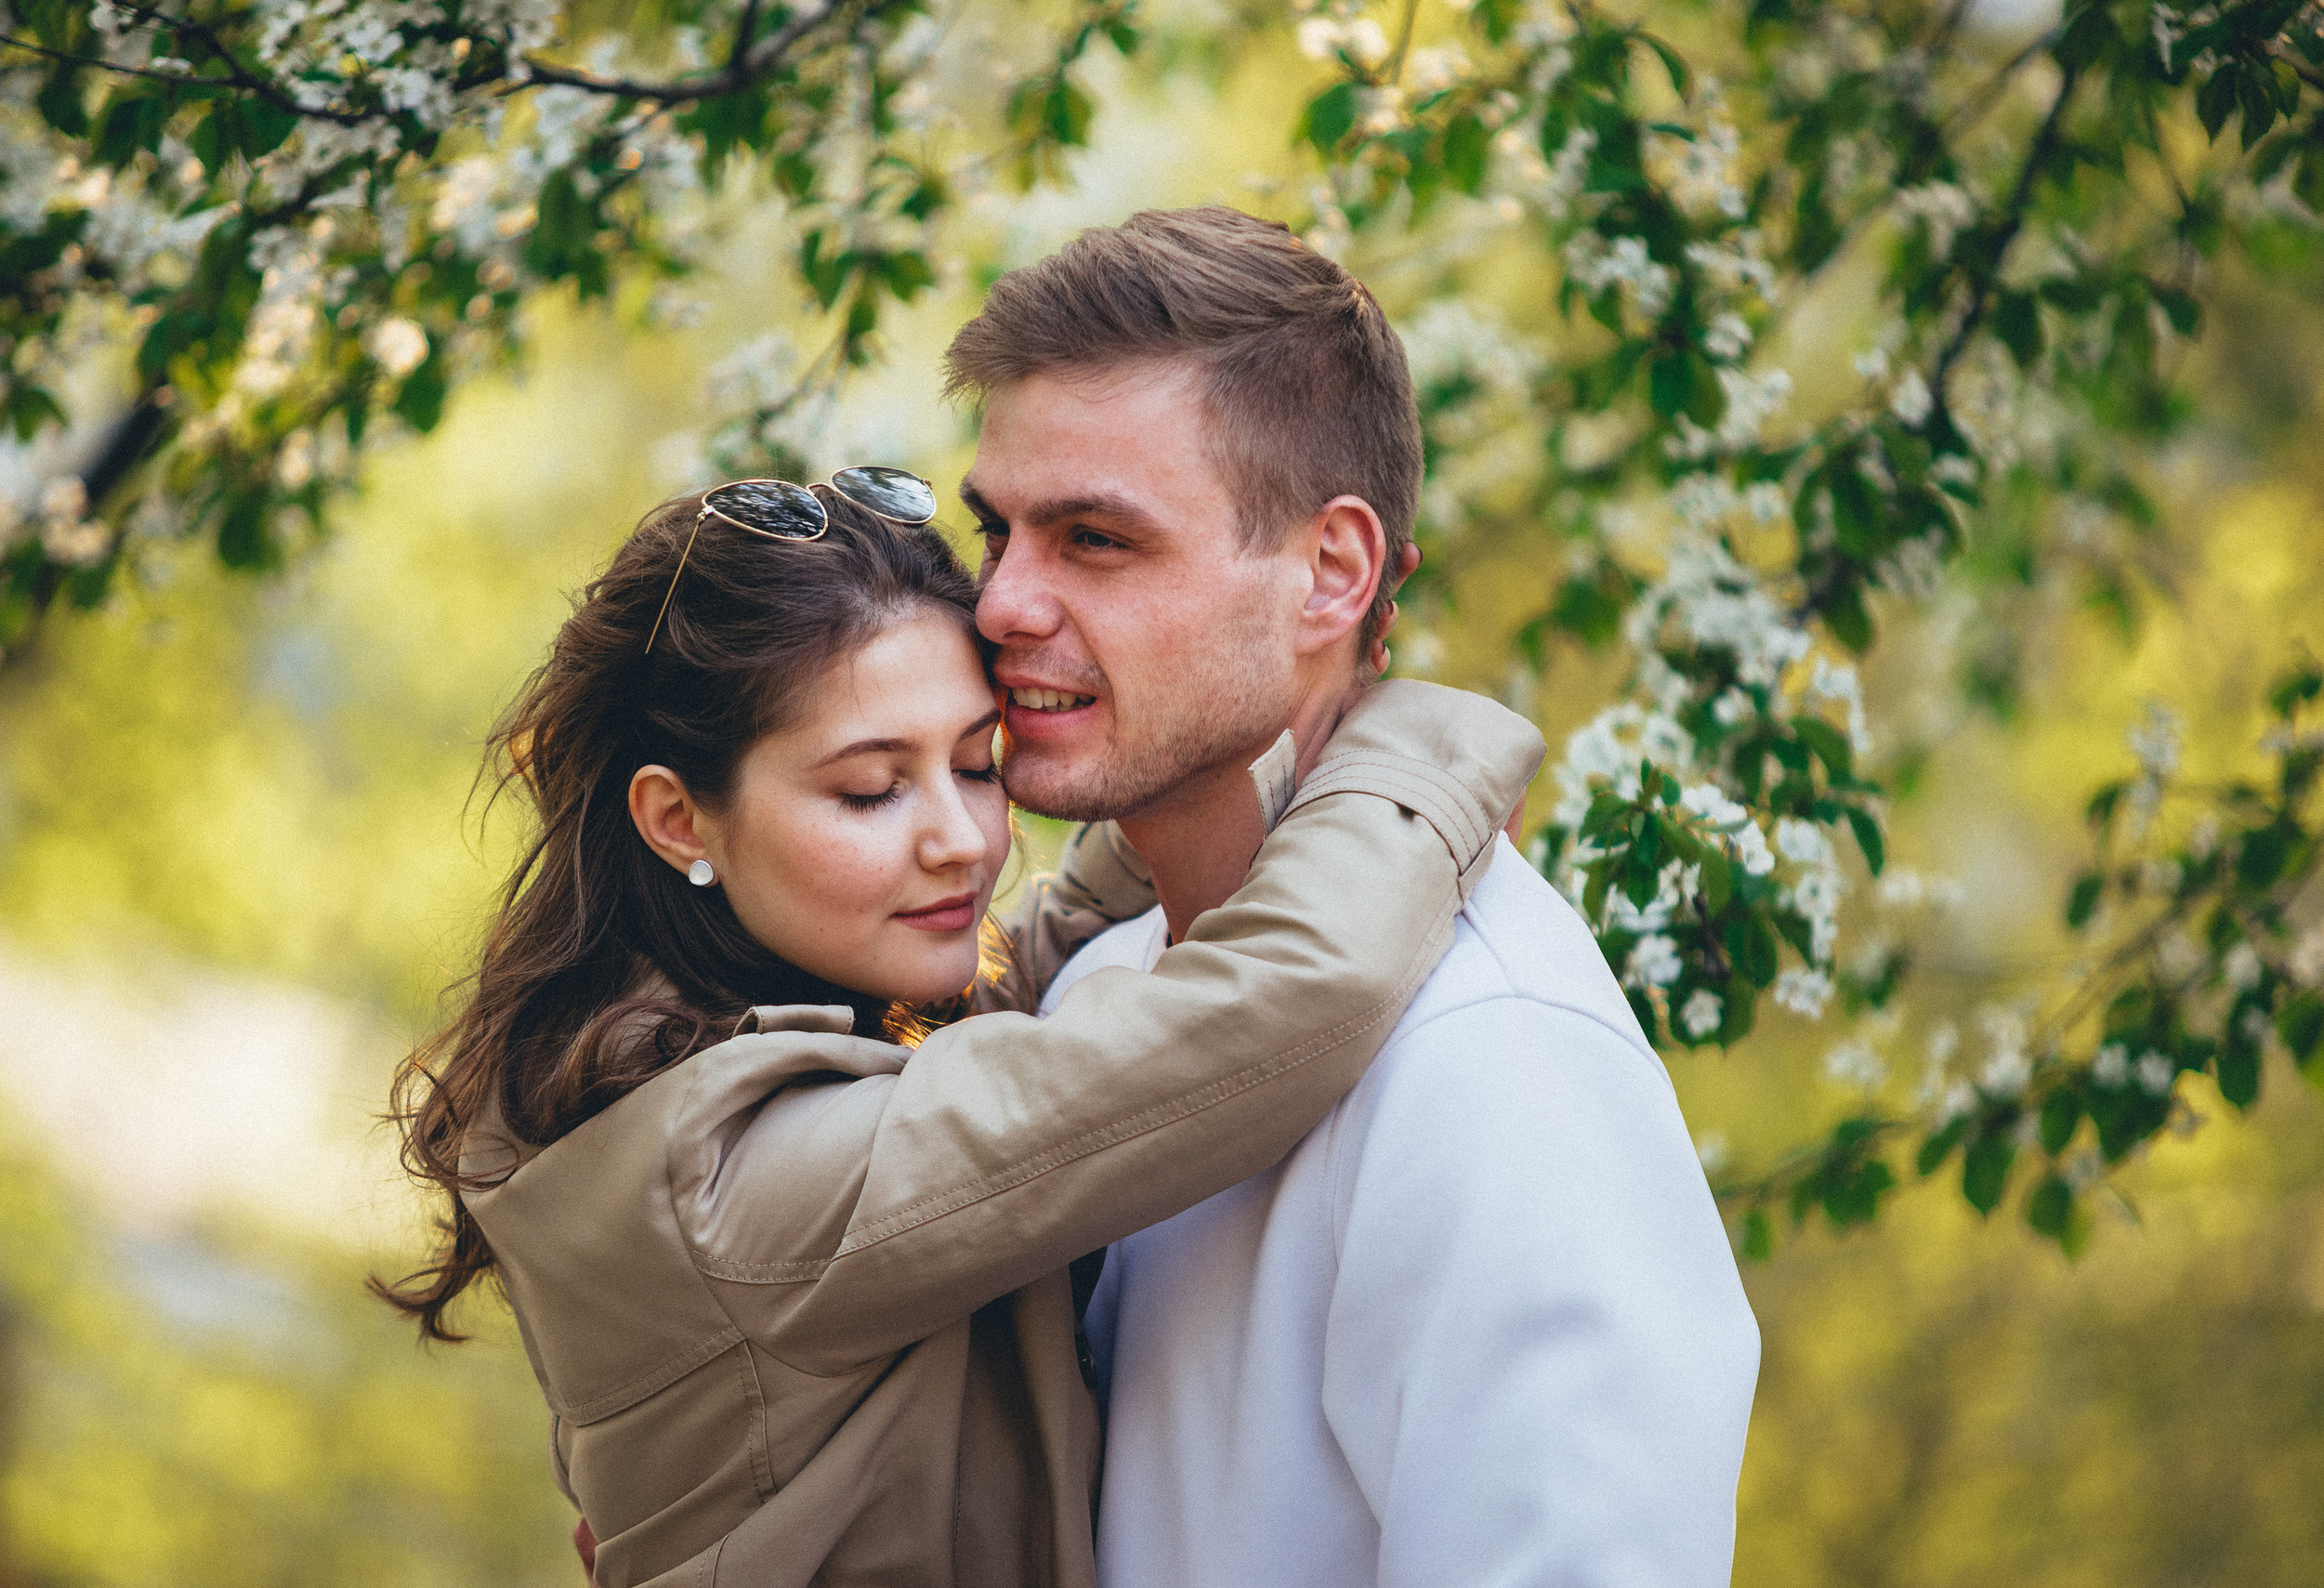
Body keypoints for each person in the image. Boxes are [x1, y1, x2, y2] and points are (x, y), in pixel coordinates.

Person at [374, 474, 1543, 1587]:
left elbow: (1021, 982)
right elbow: (1271, 1009)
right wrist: (1419, 749)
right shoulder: (735, 1180)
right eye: (872, 789)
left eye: (978, 763)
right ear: (680, 816)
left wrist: (1190, 738)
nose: (963, 841)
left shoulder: (675, 1043)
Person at [945, 204, 1761, 1586]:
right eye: (997, 532)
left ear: (1332, 574)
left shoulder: (1492, 1060)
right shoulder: (1093, 994)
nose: (1001, 604)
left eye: (1093, 539)